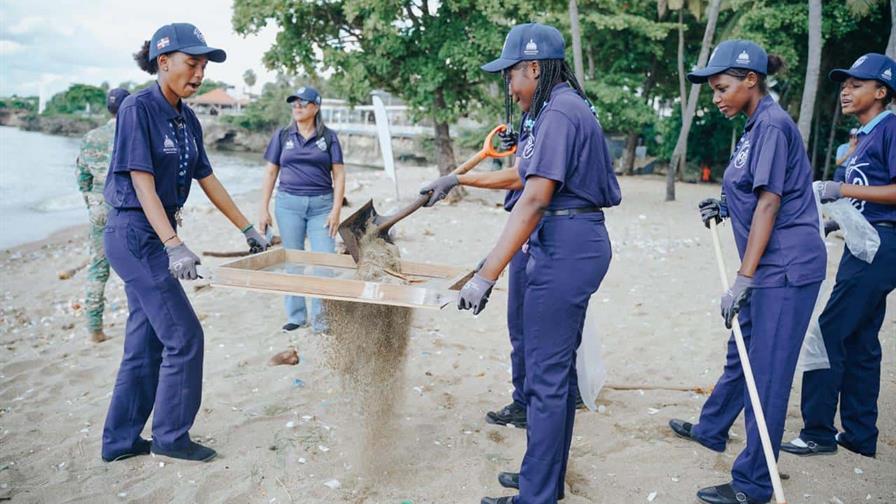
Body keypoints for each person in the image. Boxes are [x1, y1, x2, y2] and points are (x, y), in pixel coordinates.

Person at [429, 23, 621, 504]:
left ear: (534, 67)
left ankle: (538, 495)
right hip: (560, 237)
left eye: (512, 75)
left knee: (548, 377)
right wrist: (460, 180)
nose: (509, 88)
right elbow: (523, 173)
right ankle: (543, 478)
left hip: (567, 241)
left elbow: (534, 198)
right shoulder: (553, 109)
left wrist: (485, 275)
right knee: (547, 374)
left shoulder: (560, 112)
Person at [100, 23, 270, 463]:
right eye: (191, 64)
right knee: (185, 337)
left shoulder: (186, 116)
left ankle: (119, 442)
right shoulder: (139, 108)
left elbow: (207, 177)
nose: (199, 74)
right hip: (135, 235)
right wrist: (174, 244)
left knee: (147, 341)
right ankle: (172, 438)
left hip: (153, 234)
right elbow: (141, 182)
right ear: (163, 61)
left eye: (203, 67)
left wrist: (247, 229)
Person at [666, 40, 826, 504]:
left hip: (785, 270)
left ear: (750, 80)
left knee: (769, 375)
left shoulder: (772, 125)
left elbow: (772, 203)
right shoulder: (754, 127)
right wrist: (725, 203)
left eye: (722, 87)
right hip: (766, 268)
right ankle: (713, 428)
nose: (716, 97)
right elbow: (755, 192)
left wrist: (744, 278)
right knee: (742, 351)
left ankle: (754, 484)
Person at [782, 53, 896, 460]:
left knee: (827, 335)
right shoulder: (864, 136)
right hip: (864, 241)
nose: (846, 90)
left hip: (880, 247)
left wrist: (842, 190)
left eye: (857, 84)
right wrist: (839, 221)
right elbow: (871, 194)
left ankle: (816, 433)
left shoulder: (892, 130)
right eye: (844, 83)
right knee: (862, 341)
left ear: (881, 92)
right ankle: (861, 435)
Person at [257, 86, 345, 334]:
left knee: (323, 263)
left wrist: (336, 210)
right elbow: (271, 171)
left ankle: (322, 320)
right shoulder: (282, 135)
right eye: (294, 103)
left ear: (316, 107)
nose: (297, 107)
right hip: (288, 205)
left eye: (302, 103)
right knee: (293, 261)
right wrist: (263, 208)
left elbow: (338, 175)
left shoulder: (329, 137)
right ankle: (296, 316)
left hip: (322, 206)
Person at [76, 87, 129, 343]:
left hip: (98, 206)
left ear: (108, 109)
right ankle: (142, 322)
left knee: (98, 268)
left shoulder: (91, 137)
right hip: (126, 206)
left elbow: (82, 178)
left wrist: (91, 203)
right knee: (136, 266)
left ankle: (94, 329)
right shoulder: (133, 135)